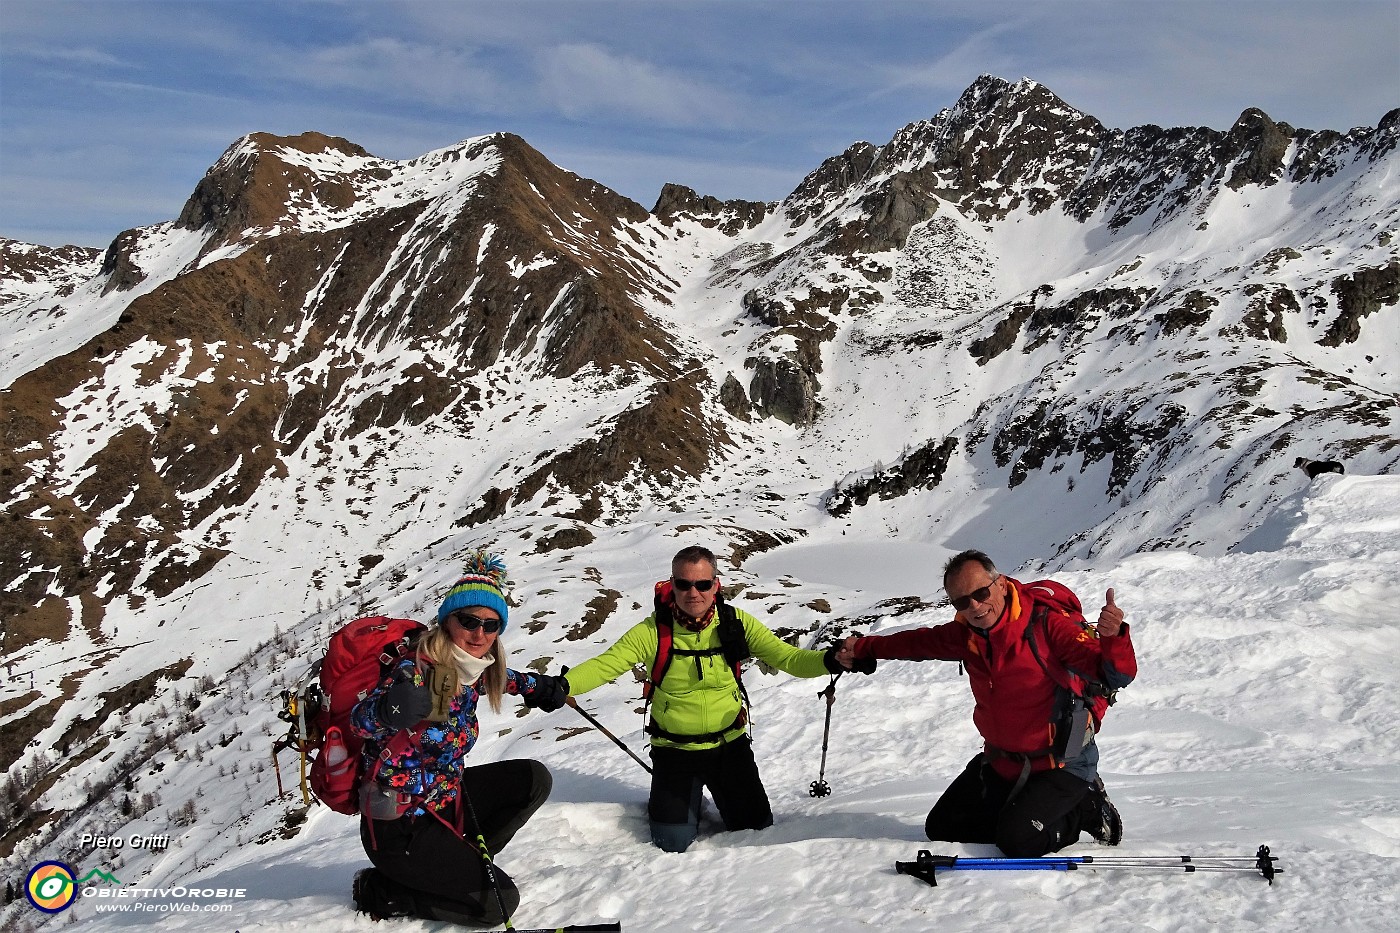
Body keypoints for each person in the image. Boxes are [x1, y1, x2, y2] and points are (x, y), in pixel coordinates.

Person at [540, 545, 861, 853]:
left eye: (702, 583)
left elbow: (788, 658)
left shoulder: (736, 625)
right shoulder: (653, 632)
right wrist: (564, 685)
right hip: (674, 752)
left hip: (730, 748)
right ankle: (686, 799)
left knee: (757, 830)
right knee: (671, 843)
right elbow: (605, 665)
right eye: (684, 583)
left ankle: (706, 798)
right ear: (672, 585)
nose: (693, 592)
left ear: (715, 585)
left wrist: (830, 661)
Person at [835, 549, 1136, 858]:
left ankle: (1086, 807)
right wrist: (864, 648)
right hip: (1003, 762)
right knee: (942, 827)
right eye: (962, 602)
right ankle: (1021, 813)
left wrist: (1114, 639)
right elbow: (916, 642)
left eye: (980, 593)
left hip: (1060, 764)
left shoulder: (1047, 626)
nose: (974, 607)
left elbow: (1116, 676)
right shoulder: (967, 636)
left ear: (1001, 584)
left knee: (1017, 841)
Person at [349, 551, 568, 925]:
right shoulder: (414, 670)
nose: (479, 633)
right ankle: (382, 889)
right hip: (401, 829)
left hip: (448, 802)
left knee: (532, 779)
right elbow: (360, 722)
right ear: (447, 621)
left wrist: (539, 687)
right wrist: (388, 711)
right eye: (468, 621)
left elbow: (505, 677)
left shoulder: (471, 669)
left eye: (491, 624)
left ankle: (463, 862)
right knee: (497, 905)